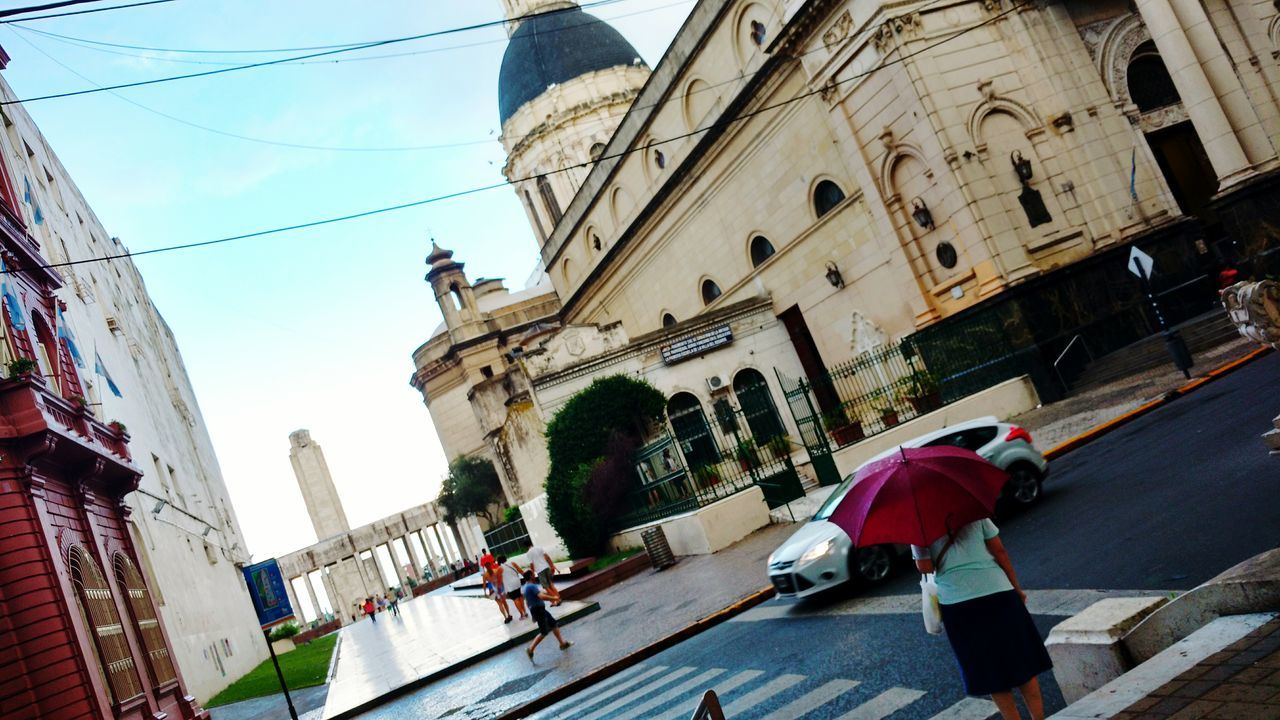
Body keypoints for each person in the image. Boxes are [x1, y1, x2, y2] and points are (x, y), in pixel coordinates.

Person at [912, 519, 1052, 720]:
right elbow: (999, 551)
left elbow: (925, 567)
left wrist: (920, 544)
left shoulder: (919, 526)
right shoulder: (974, 512)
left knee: (990, 670)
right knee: (1022, 659)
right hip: (998, 591)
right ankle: (1038, 718)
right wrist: (1016, 588)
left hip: (959, 604)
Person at [522, 569, 571, 659]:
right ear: (530, 576)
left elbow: (528, 602)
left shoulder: (525, 587)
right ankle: (530, 649)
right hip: (539, 610)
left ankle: (562, 644)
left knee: (553, 624)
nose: (534, 575)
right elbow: (541, 596)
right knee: (543, 632)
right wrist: (553, 598)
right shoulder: (531, 586)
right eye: (533, 574)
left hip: (538, 610)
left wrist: (532, 614)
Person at [498, 554, 527, 620]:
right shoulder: (512, 563)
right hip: (517, 582)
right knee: (520, 597)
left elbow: (499, 580)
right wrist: (526, 577)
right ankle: (525, 612)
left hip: (510, 586)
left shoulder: (500, 568)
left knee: (515, 599)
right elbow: (520, 570)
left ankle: (522, 614)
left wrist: (500, 589)